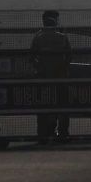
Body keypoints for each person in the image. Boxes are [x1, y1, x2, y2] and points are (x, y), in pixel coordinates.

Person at [30, 11, 72, 144]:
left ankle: (42, 133)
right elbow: (70, 55)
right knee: (63, 105)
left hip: (44, 76)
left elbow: (31, 56)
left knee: (43, 105)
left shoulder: (38, 37)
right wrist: (63, 66)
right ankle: (63, 133)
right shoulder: (62, 37)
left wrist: (39, 67)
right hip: (60, 76)